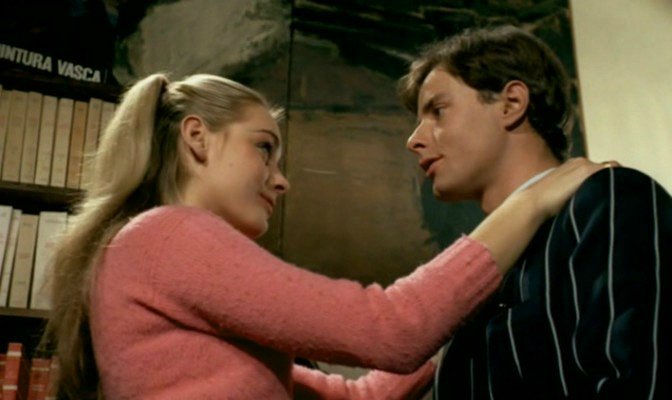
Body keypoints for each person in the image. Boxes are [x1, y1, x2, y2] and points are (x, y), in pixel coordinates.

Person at [42, 72, 604, 400]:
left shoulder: (149, 253)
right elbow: (390, 328)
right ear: (197, 138)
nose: (280, 179)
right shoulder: (167, 236)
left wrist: (457, 322)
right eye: (264, 148)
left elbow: (361, 394)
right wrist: (530, 201)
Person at [402, 24, 672, 399]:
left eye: (438, 111)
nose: (413, 139)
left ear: (511, 103)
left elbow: (644, 381)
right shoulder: (482, 278)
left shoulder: (610, 200)